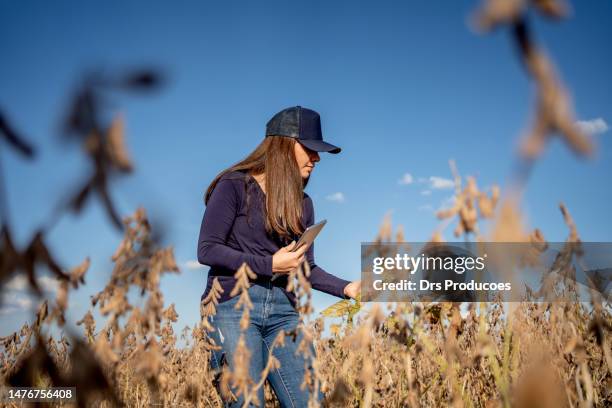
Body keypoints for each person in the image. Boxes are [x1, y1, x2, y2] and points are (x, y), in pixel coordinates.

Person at [197, 106, 361, 407]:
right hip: (232, 307)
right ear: (285, 144)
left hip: (284, 311)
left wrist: (348, 288)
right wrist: (270, 264)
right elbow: (207, 249)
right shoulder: (234, 185)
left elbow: (305, 267)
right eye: (310, 149)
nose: (317, 158)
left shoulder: (303, 203)